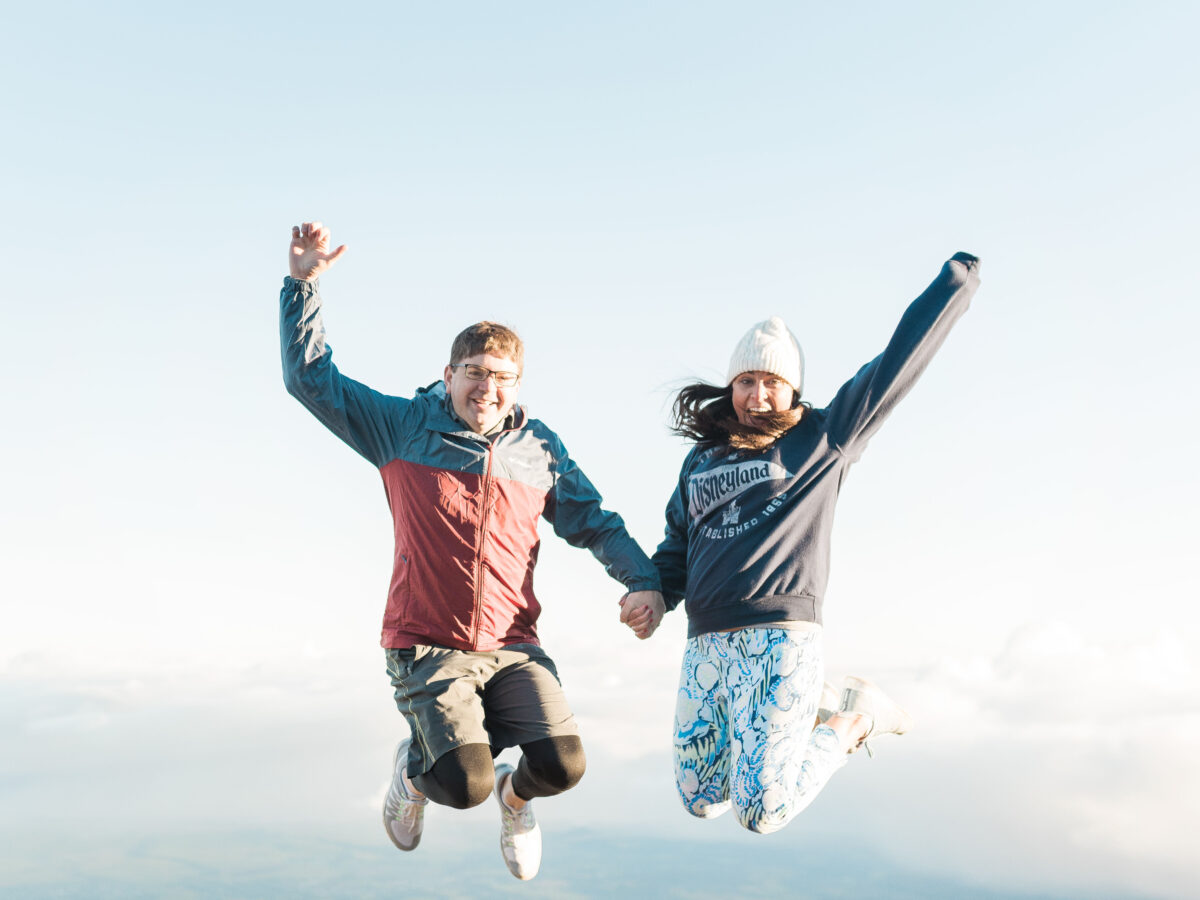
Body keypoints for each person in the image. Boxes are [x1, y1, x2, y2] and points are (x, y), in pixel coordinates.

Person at [280, 221, 665, 880]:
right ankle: (413, 774)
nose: (489, 388)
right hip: (426, 642)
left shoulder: (537, 448)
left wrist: (643, 580)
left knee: (561, 765)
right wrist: (302, 286)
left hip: (513, 644)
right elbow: (311, 380)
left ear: (519, 385)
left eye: (504, 378)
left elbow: (595, 521)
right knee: (462, 784)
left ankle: (518, 803)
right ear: (450, 374)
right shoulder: (400, 426)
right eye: (476, 373)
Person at [624, 252, 981, 834]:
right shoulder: (701, 458)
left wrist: (952, 287)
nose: (757, 394)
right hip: (706, 642)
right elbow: (678, 544)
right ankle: (802, 717)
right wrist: (656, 595)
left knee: (762, 813)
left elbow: (894, 365)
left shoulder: (824, 437)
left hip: (780, 636)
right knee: (700, 796)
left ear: (793, 391)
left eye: (772, 382)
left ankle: (851, 722)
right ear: (730, 385)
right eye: (746, 380)